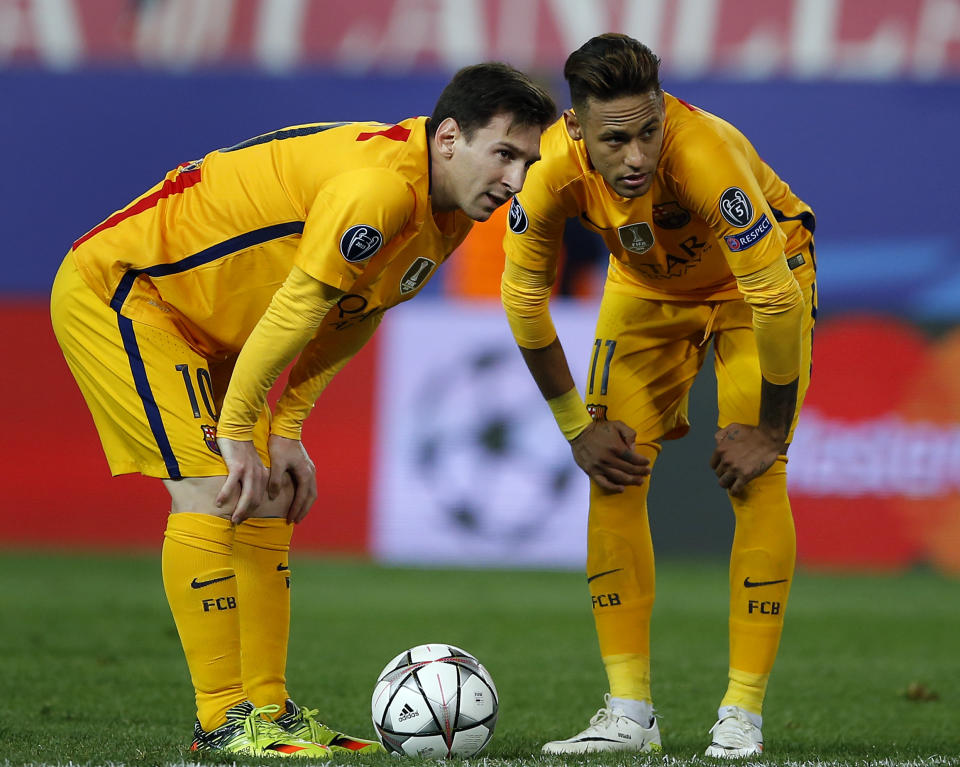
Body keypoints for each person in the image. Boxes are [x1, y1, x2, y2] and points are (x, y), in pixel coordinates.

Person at [51, 63, 555, 758]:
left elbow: (355, 313)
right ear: (448, 139)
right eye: (504, 154)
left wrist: (286, 428)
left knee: (271, 493)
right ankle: (220, 720)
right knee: (210, 483)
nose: (517, 181)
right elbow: (299, 306)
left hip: (219, 325)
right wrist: (237, 430)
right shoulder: (378, 189)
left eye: (529, 161)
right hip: (132, 290)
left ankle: (269, 709)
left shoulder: (446, 215)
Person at [500, 34, 815, 758]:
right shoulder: (548, 169)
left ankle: (742, 711)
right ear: (576, 129)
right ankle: (628, 712)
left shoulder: (703, 153)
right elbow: (523, 301)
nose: (637, 155)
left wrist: (769, 430)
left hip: (756, 287)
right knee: (612, 471)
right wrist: (575, 425)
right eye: (617, 140)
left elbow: (777, 301)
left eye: (649, 130)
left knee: (758, 475)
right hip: (645, 286)